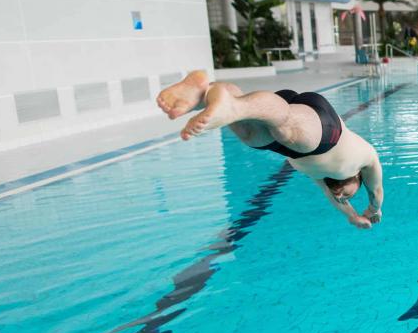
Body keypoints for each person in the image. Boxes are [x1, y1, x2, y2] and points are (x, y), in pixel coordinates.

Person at [157, 71, 382, 229]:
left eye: (342, 197)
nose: (342, 195)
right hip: (324, 130)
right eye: (351, 194)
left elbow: (335, 200)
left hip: (285, 140)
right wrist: (374, 210)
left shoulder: (322, 179)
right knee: (290, 133)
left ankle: (205, 93)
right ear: (359, 178)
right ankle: (232, 106)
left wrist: (352, 216)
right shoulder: (365, 159)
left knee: (250, 136)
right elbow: (376, 190)